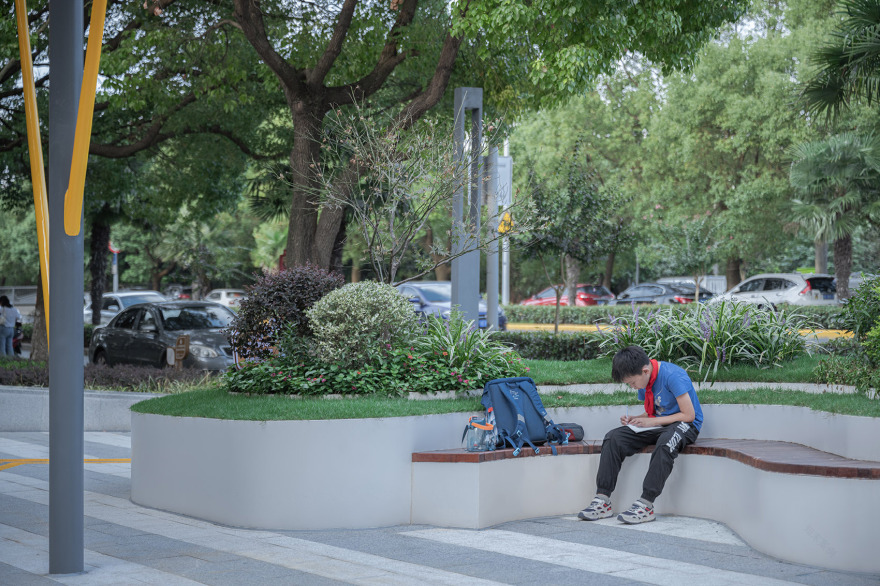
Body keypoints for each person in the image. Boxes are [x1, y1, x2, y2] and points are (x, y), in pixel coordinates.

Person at [578, 345, 703, 524]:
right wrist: (636, 419)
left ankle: (646, 505)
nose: (632, 387)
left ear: (645, 371)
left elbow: (689, 415)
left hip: (685, 425)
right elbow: (655, 411)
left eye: (632, 383)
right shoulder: (645, 379)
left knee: (666, 443)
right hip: (660, 423)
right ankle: (602, 501)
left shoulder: (673, 375)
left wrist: (651, 421)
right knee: (614, 437)